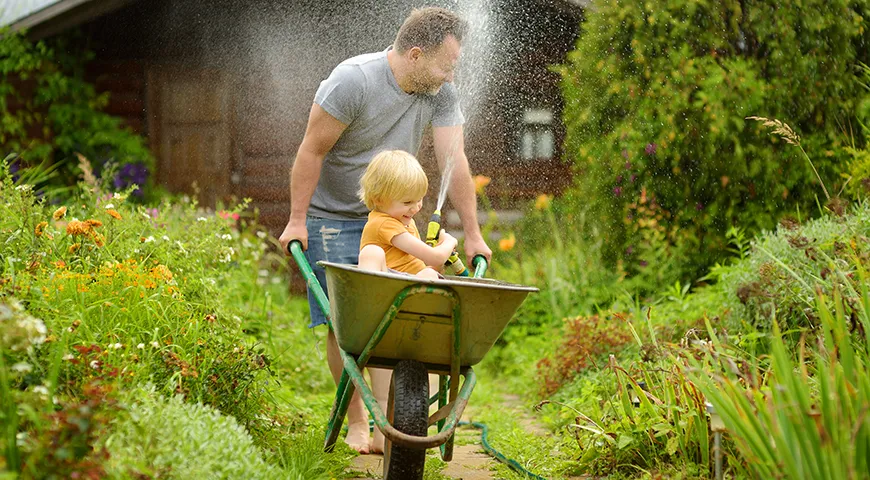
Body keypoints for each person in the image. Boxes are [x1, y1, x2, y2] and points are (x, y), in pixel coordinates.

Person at [278, 6, 492, 454]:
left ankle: (394, 416)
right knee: (347, 325)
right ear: (415, 55)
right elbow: (312, 150)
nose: (451, 77)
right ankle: (358, 422)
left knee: (405, 313)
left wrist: (472, 233)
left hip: (395, 218)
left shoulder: (440, 91)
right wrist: (298, 220)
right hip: (333, 214)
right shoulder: (352, 80)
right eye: (445, 65)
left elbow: (457, 165)